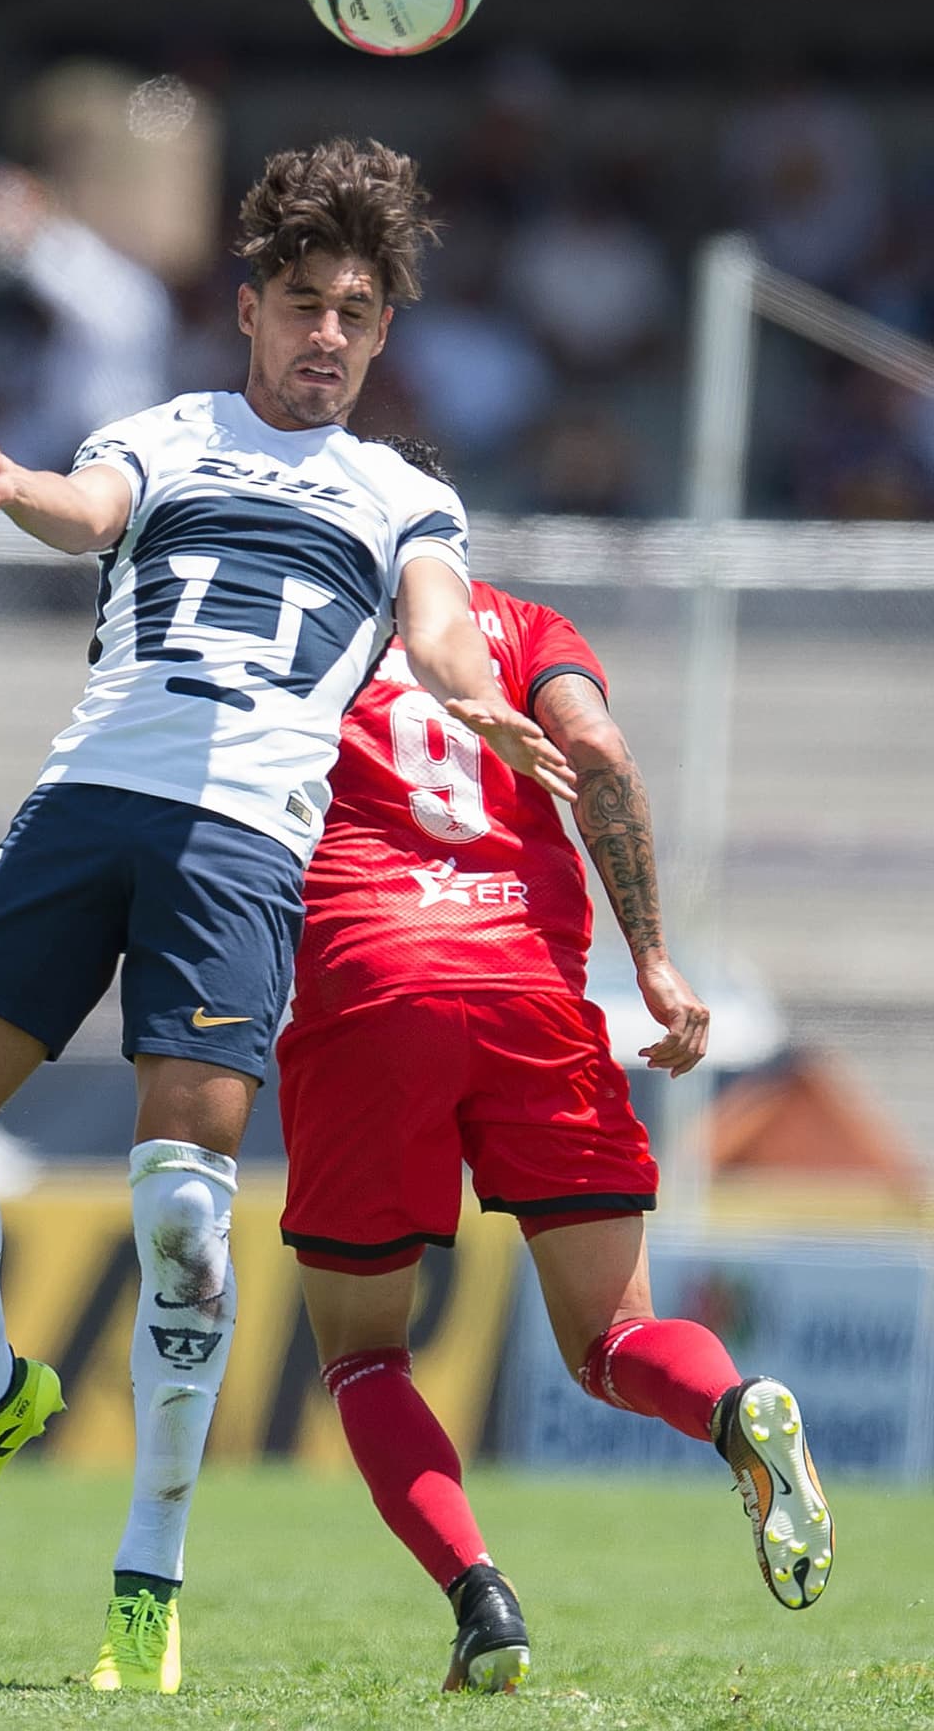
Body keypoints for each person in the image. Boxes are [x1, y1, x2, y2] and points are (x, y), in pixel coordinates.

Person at [0, 141, 578, 1695]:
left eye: (357, 311)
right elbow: (86, 500)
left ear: (385, 332)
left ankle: (146, 1579)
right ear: (248, 309)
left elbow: (445, 635)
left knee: (182, 1219)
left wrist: (484, 703)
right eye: (303, 303)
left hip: (243, 851)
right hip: (85, 811)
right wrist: (9, 487)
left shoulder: (403, 495)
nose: (328, 333)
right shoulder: (171, 430)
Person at [277, 437, 833, 1695]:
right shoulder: (525, 629)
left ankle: (482, 1601)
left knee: (366, 1353)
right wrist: (652, 961)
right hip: (531, 993)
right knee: (613, 1336)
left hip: (372, 988)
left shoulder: (297, 630)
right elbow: (605, 763)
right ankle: (732, 1408)